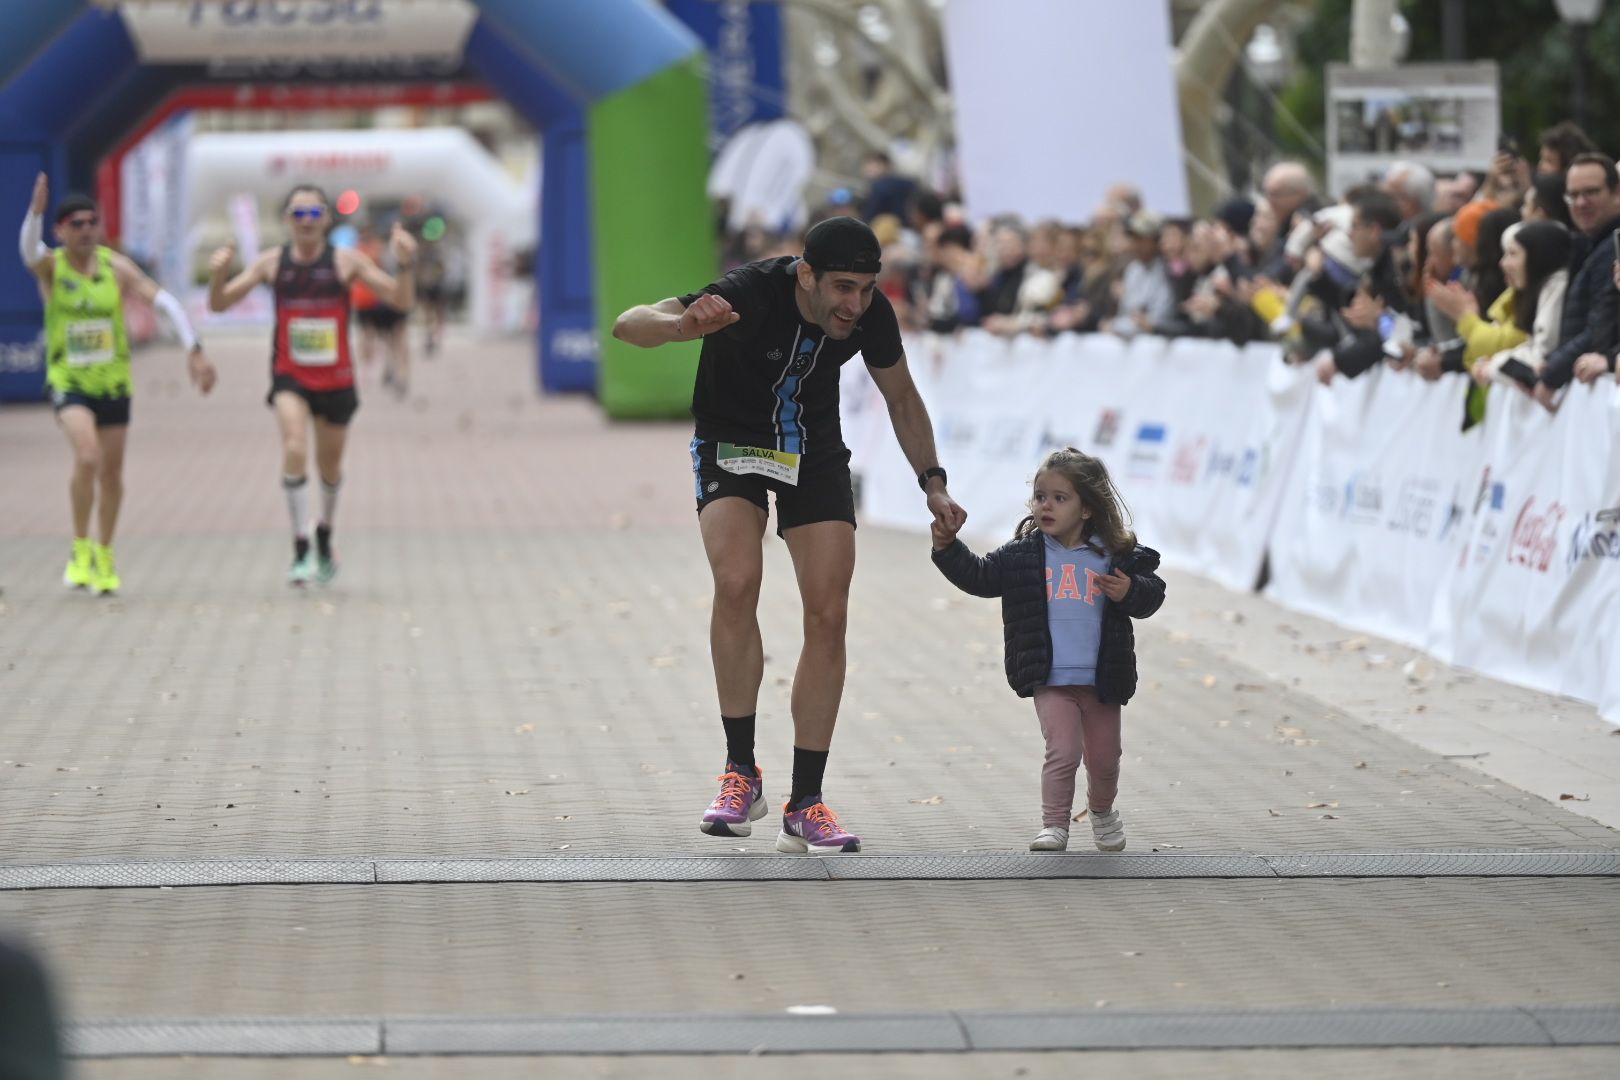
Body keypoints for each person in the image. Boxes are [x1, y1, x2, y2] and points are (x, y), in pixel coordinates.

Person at [611, 216, 967, 854]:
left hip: (813, 452)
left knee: (828, 614)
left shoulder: (869, 314)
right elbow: (629, 323)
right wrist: (682, 327)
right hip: (731, 443)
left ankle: (807, 800)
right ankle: (740, 772)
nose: (853, 304)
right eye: (841, 287)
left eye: (864, 288)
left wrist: (933, 483)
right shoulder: (750, 290)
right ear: (806, 275)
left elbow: (903, 397)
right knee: (737, 581)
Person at [927, 448, 1164, 852]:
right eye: (1040, 496)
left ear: (1087, 508)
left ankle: (1102, 812)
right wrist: (947, 548)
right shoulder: (1024, 554)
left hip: (1102, 678)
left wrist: (1129, 592)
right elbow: (981, 577)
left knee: (1105, 759)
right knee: (1063, 752)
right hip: (1050, 678)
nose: (1046, 505)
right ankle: (1055, 825)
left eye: (1060, 497)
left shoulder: (1114, 555)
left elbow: (1151, 595)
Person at [18, 174, 217, 595]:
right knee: (86, 456)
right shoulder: (52, 266)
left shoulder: (115, 266)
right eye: (76, 224)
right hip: (68, 380)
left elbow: (161, 300)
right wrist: (34, 213)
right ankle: (79, 546)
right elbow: (27, 251)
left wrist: (194, 347)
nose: (87, 230)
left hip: (113, 384)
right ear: (61, 230)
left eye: (92, 222)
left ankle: (105, 554)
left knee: (111, 474)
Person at [207, 184, 416, 585]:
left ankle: (325, 532)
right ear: (287, 219)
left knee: (330, 466)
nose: (306, 221)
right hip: (291, 375)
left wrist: (405, 267)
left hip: (336, 379)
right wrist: (218, 275)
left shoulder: (345, 262)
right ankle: (300, 544)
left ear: (325, 219)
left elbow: (401, 301)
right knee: (294, 445)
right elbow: (219, 304)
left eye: (314, 213)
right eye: (298, 214)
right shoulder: (272, 264)